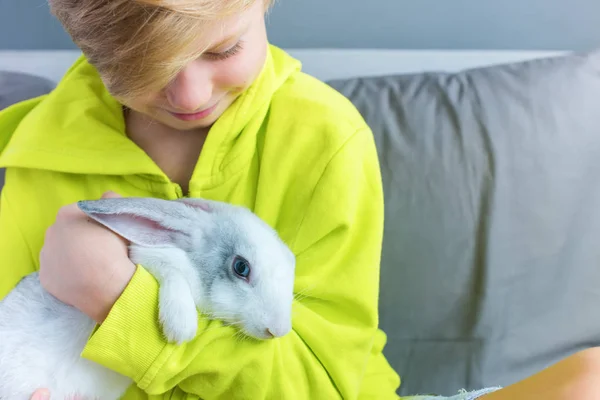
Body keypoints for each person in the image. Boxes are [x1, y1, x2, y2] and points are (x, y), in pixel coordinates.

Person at [0, 1, 599, 400]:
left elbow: (323, 381)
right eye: (140, 66)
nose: (188, 94)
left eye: (222, 50)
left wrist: (125, 307)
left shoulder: (324, 140)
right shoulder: (27, 151)